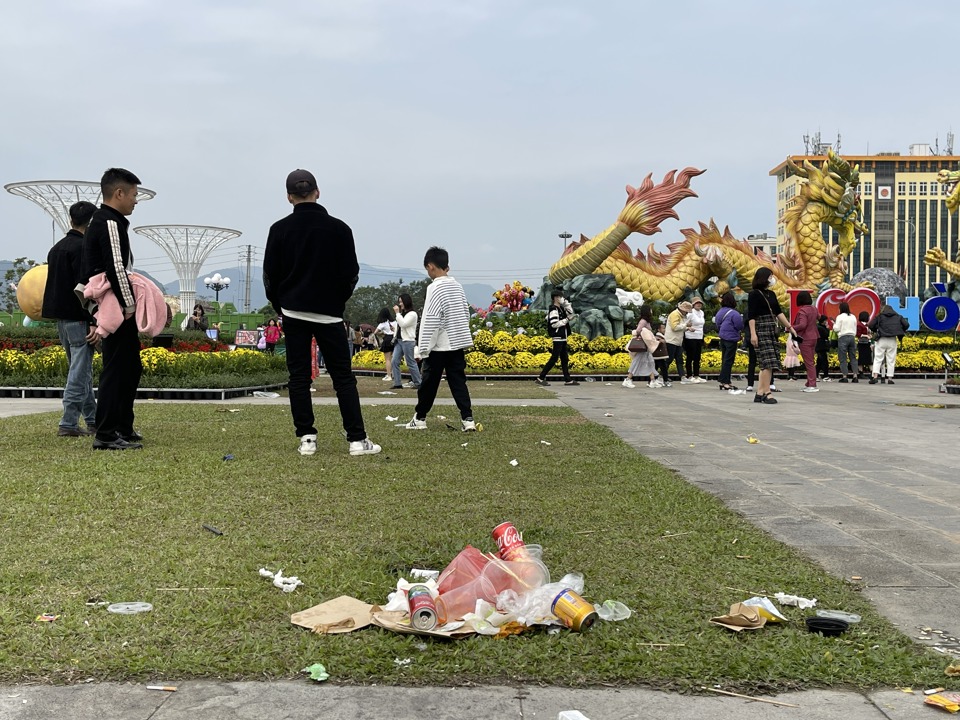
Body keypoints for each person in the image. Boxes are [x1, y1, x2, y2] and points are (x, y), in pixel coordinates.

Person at [262, 168, 380, 456]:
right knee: (343, 378)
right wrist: (336, 302)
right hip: (329, 313)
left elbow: (270, 276)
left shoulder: (279, 230)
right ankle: (356, 439)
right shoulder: (340, 229)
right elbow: (351, 273)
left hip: (293, 311)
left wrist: (282, 306)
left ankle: (307, 438)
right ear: (317, 192)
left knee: (299, 377)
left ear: (289, 197)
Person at [80, 168, 145, 450]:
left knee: (129, 366)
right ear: (118, 193)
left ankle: (122, 426)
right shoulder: (108, 222)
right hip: (115, 307)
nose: (135, 201)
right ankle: (106, 433)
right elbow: (116, 267)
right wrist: (129, 305)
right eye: (133, 194)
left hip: (115, 305)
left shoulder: (110, 221)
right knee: (116, 368)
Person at [404, 246, 477, 431]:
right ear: (447, 267)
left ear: (430, 266)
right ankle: (468, 419)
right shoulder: (458, 287)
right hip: (457, 343)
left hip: (439, 346)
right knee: (458, 382)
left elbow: (431, 319)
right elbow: (465, 314)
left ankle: (420, 418)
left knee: (429, 384)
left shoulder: (434, 288)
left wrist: (423, 347)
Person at [43, 200, 99, 437]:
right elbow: (88, 287)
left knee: (81, 369)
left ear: (71, 219)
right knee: (78, 372)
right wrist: (97, 319)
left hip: (62, 319)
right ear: (91, 223)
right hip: (80, 318)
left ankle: (93, 419)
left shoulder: (56, 248)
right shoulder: (83, 249)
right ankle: (68, 423)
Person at [748, 267, 796, 404]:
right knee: (767, 362)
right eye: (770, 276)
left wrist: (790, 327)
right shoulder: (754, 294)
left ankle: (759, 392)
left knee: (767, 363)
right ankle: (766, 392)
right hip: (760, 328)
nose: (772, 279)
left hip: (771, 328)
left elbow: (779, 313)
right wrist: (753, 334)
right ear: (763, 277)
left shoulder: (772, 294)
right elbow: (751, 316)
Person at [535, 288, 579, 387]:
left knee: (564, 358)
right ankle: (540, 378)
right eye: (560, 297)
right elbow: (554, 324)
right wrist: (567, 319)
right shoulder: (554, 310)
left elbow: (571, 313)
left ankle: (568, 380)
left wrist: (566, 304)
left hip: (563, 337)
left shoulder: (561, 308)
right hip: (558, 337)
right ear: (555, 298)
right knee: (554, 358)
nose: (561, 298)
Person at [869, 303, 909, 384]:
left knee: (878, 358)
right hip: (892, 339)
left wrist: (876, 328)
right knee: (891, 359)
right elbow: (906, 325)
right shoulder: (898, 316)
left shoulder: (880, 316)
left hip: (881, 339)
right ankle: (890, 378)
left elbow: (871, 325)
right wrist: (900, 330)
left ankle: (875, 376)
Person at [391, 293, 422, 390]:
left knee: (410, 362)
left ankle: (418, 382)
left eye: (401, 302)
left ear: (406, 302)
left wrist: (397, 313)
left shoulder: (412, 314)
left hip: (408, 341)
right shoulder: (402, 314)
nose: (400, 304)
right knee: (394, 361)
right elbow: (399, 325)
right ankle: (397, 383)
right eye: (399, 302)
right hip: (399, 340)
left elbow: (403, 324)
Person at [623, 305, 658, 389]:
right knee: (637, 362)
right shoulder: (643, 321)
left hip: (646, 346)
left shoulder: (647, 321)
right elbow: (638, 330)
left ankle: (652, 380)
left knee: (650, 362)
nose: (651, 311)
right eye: (650, 310)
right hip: (642, 346)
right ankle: (628, 379)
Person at [714, 290, 743, 391]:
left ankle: (726, 381)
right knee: (728, 361)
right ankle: (724, 381)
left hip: (722, 337)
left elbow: (717, 323)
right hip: (731, 338)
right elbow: (739, 325)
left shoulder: (720, 311)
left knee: (724, 359)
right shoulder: (734, 314)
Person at [791, 291, 819, 392]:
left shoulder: (802, 311)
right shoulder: (814, 309)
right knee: (811, 360)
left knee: (809, 362)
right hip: (814, 337)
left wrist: (790, 328)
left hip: (805, 338)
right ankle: (809, 382)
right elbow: (819, 317)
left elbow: (802, 325)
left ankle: (812, 384)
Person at [665, 301, 692, 384]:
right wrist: (686, 326)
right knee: (669, 359)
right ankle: (662, 376)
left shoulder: (680, 315)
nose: (687, 313)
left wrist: (686, 328)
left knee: (679, 359)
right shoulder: (675, 314)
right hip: (671, 340)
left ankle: (682, 377)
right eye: (686, 311)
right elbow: (674, 327)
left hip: (677, 341)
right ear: (683, 310)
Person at [683, 297, 707, 383]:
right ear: (693, 304)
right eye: (697, 303)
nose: (699, 305)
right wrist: (688, 327)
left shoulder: (702, 313)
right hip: (690, 336)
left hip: (699, 336)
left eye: (700, 303)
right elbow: (684, 323)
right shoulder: (690, 313)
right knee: (690, 356)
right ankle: (689, 375)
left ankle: (697, 375)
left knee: (697, 357)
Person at [834, 302, 859, 383]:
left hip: (843, 337)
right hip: (852, 337)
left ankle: (845, 376)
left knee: (843, 357)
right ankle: (855, 375)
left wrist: (834, 324)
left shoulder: (840, 317)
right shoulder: (853, 316)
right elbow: (855, 328)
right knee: (853, 357)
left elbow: (837, 328)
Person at [375, 307, 396, 382]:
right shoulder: (394, 322)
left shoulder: (382, 323)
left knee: (387, 359)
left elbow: (375, 332)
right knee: (394, 358)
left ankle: (389, 375)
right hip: (394, 339)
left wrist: (382, 333)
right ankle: (394, 374)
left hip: (387, 339)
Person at [856, 311, 873, 378]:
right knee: (862, 358)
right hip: (862, 343)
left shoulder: (867, 325)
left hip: (867, 343)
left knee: (869, 358)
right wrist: (866, 336)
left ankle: (871, 372)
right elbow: (858, 334)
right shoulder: (859, 325)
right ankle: (861, 372)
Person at [816, 314, 832, 382]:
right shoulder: (820, 328)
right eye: (826, 320)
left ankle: (816, 375)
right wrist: (827, 328)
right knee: (824, 361)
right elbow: (826, 335)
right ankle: (826, 376)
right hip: (821, 346)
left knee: (819, 361)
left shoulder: (820, 327)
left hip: (820, 346)